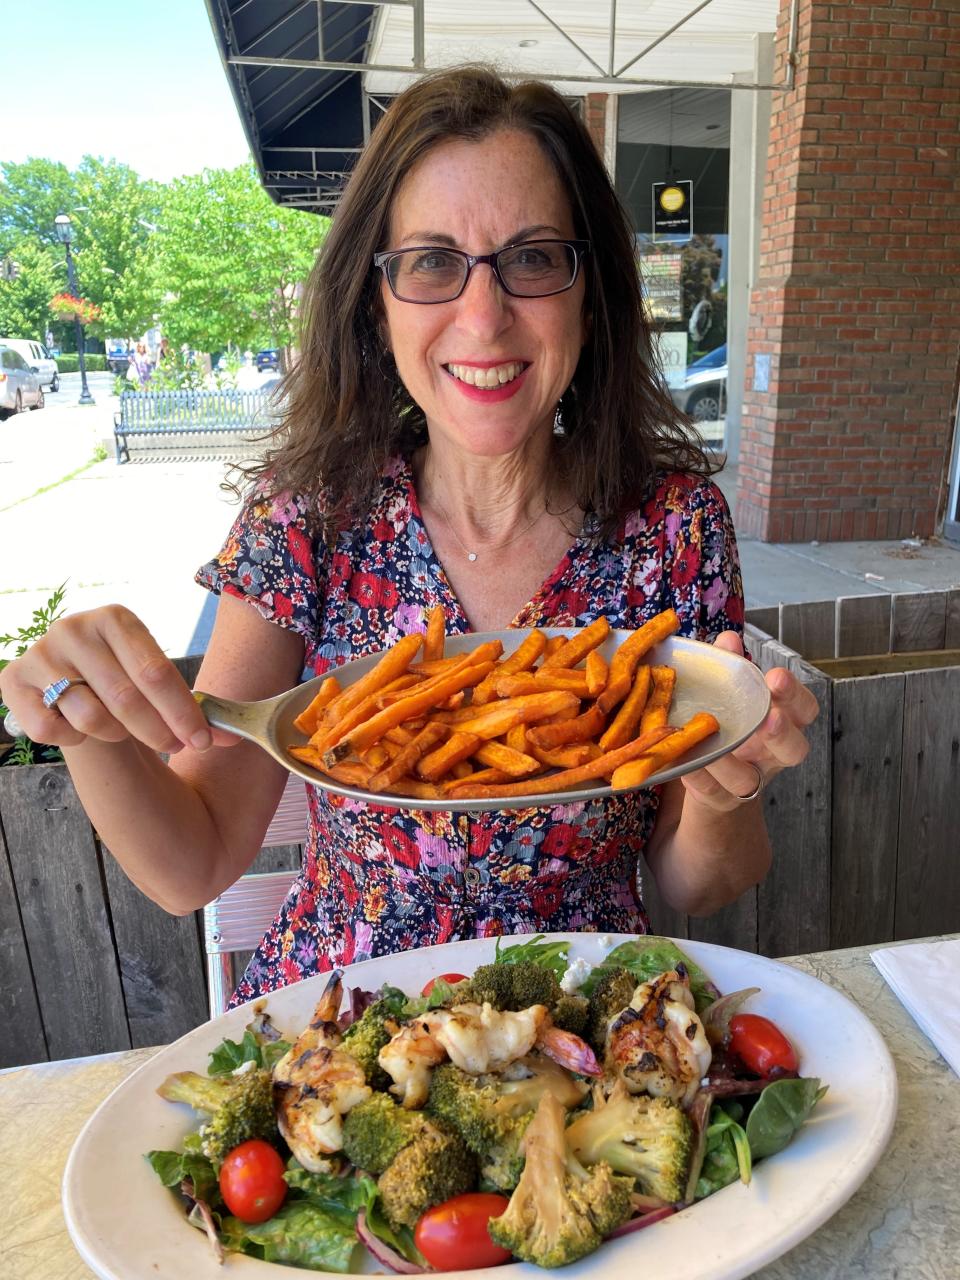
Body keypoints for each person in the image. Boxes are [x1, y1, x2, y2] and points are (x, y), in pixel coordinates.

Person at [0, 67, 817, 1004]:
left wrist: (726, 790)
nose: (483, 315)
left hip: (584, 1017)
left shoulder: (676, 528)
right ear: (374, 301)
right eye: (431, 262)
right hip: (348, 1023)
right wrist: (82, 726)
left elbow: (696, 882)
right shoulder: (307, 514)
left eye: (534, 256)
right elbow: (195, 861)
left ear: (590, 293)